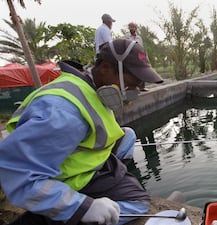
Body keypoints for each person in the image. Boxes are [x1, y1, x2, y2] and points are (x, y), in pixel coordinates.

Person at [0, 39, 163, 225]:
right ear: (105, 67)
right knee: (138, 203)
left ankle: (110, 181)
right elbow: (16, 174)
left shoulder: (88, 85)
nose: (133, 92)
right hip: (67, 177)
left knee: (128, 136)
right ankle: (63, 214)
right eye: (131, 84)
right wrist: (81, 207)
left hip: (84, 161)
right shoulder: (64, 113)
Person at [124, 22, 147, 92]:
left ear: (136, 28)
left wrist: (144, 58)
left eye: (133, 27)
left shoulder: (139, 38)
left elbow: (141, 48)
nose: (132, 28)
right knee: (131, 73)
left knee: (142, 71)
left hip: (139, 57)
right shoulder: (126, 37)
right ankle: (131, 88)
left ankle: (142, 87)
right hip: (130, 57)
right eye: (130, 27)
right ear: (128, 28)